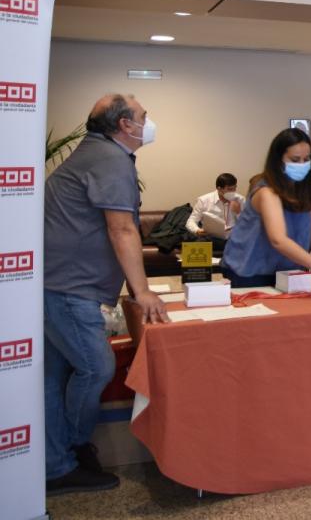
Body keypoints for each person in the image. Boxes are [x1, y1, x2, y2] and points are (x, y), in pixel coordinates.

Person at [43, 94, 169, 495]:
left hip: (57, 282)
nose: (149, 122)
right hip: (68, 287)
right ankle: (70, 455)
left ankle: (55, 458)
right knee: (96, 368)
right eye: (143, 116)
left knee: (55, 374)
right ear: (124, 126)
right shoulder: (110, 160)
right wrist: (142, 291)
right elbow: (122, 229)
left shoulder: (97, 152)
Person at [220, 128, 311, 288]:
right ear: (278, 160)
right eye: (295, 159)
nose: (302, 164)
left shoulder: (303, 188)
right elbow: (278, 239)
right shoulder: (266, 192)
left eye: (306, 159)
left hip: (287, 269)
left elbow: (310, 221)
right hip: (249, 270)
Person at [185, 173, 243, 251]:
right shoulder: (204, 200)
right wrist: (197, 230)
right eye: (229, 189)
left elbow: (246, 225)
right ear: (219, 189)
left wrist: (238, 212)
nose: (233, 192)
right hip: (212, 239)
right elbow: (191, 221)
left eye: (234, 188)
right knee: (201, 242)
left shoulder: (239, 200)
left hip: (232, 240)